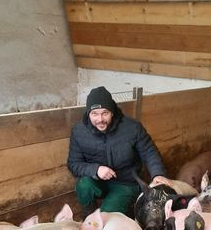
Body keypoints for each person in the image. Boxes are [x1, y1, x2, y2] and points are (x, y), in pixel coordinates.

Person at [67, 86, 168, 218]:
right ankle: (88, 217)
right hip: (98, 181)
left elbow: (149, 152)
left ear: (112, 112)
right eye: (94, 114)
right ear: (88, 113)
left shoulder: (132, 127)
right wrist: (95, 170)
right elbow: (73, 163)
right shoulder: (79, 131)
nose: (100, 119)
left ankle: (114, 214)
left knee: (105, 217)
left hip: (126, 183)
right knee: (84, 185)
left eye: (105, 113)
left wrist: (157, 174)